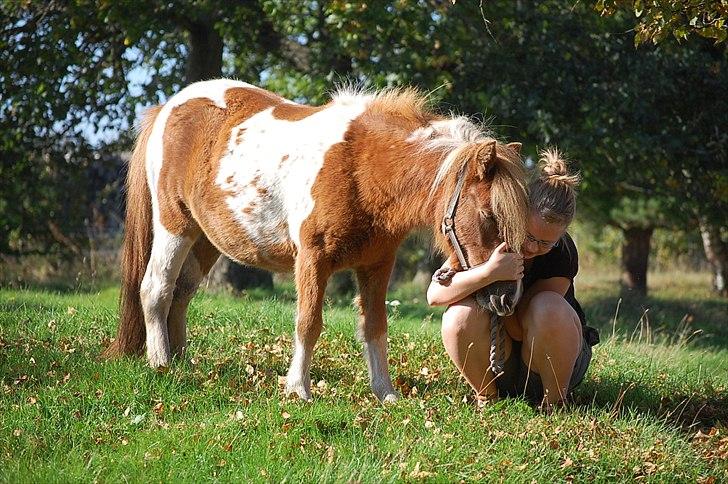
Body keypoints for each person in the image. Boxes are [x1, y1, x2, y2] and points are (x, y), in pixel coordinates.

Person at [427, 148, 599, 408]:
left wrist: (502, 281)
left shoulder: (562, 253)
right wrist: (489, 272)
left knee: (548, 307)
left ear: (561, 237)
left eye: (545, 243)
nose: (532, 248)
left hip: (551, 366)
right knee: (459, 316)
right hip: (501, 365)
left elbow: (519, 330)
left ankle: (555, 403)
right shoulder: (493, 234)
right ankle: (487, 396)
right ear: (515, 216)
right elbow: (435, 295)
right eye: (528, 236)